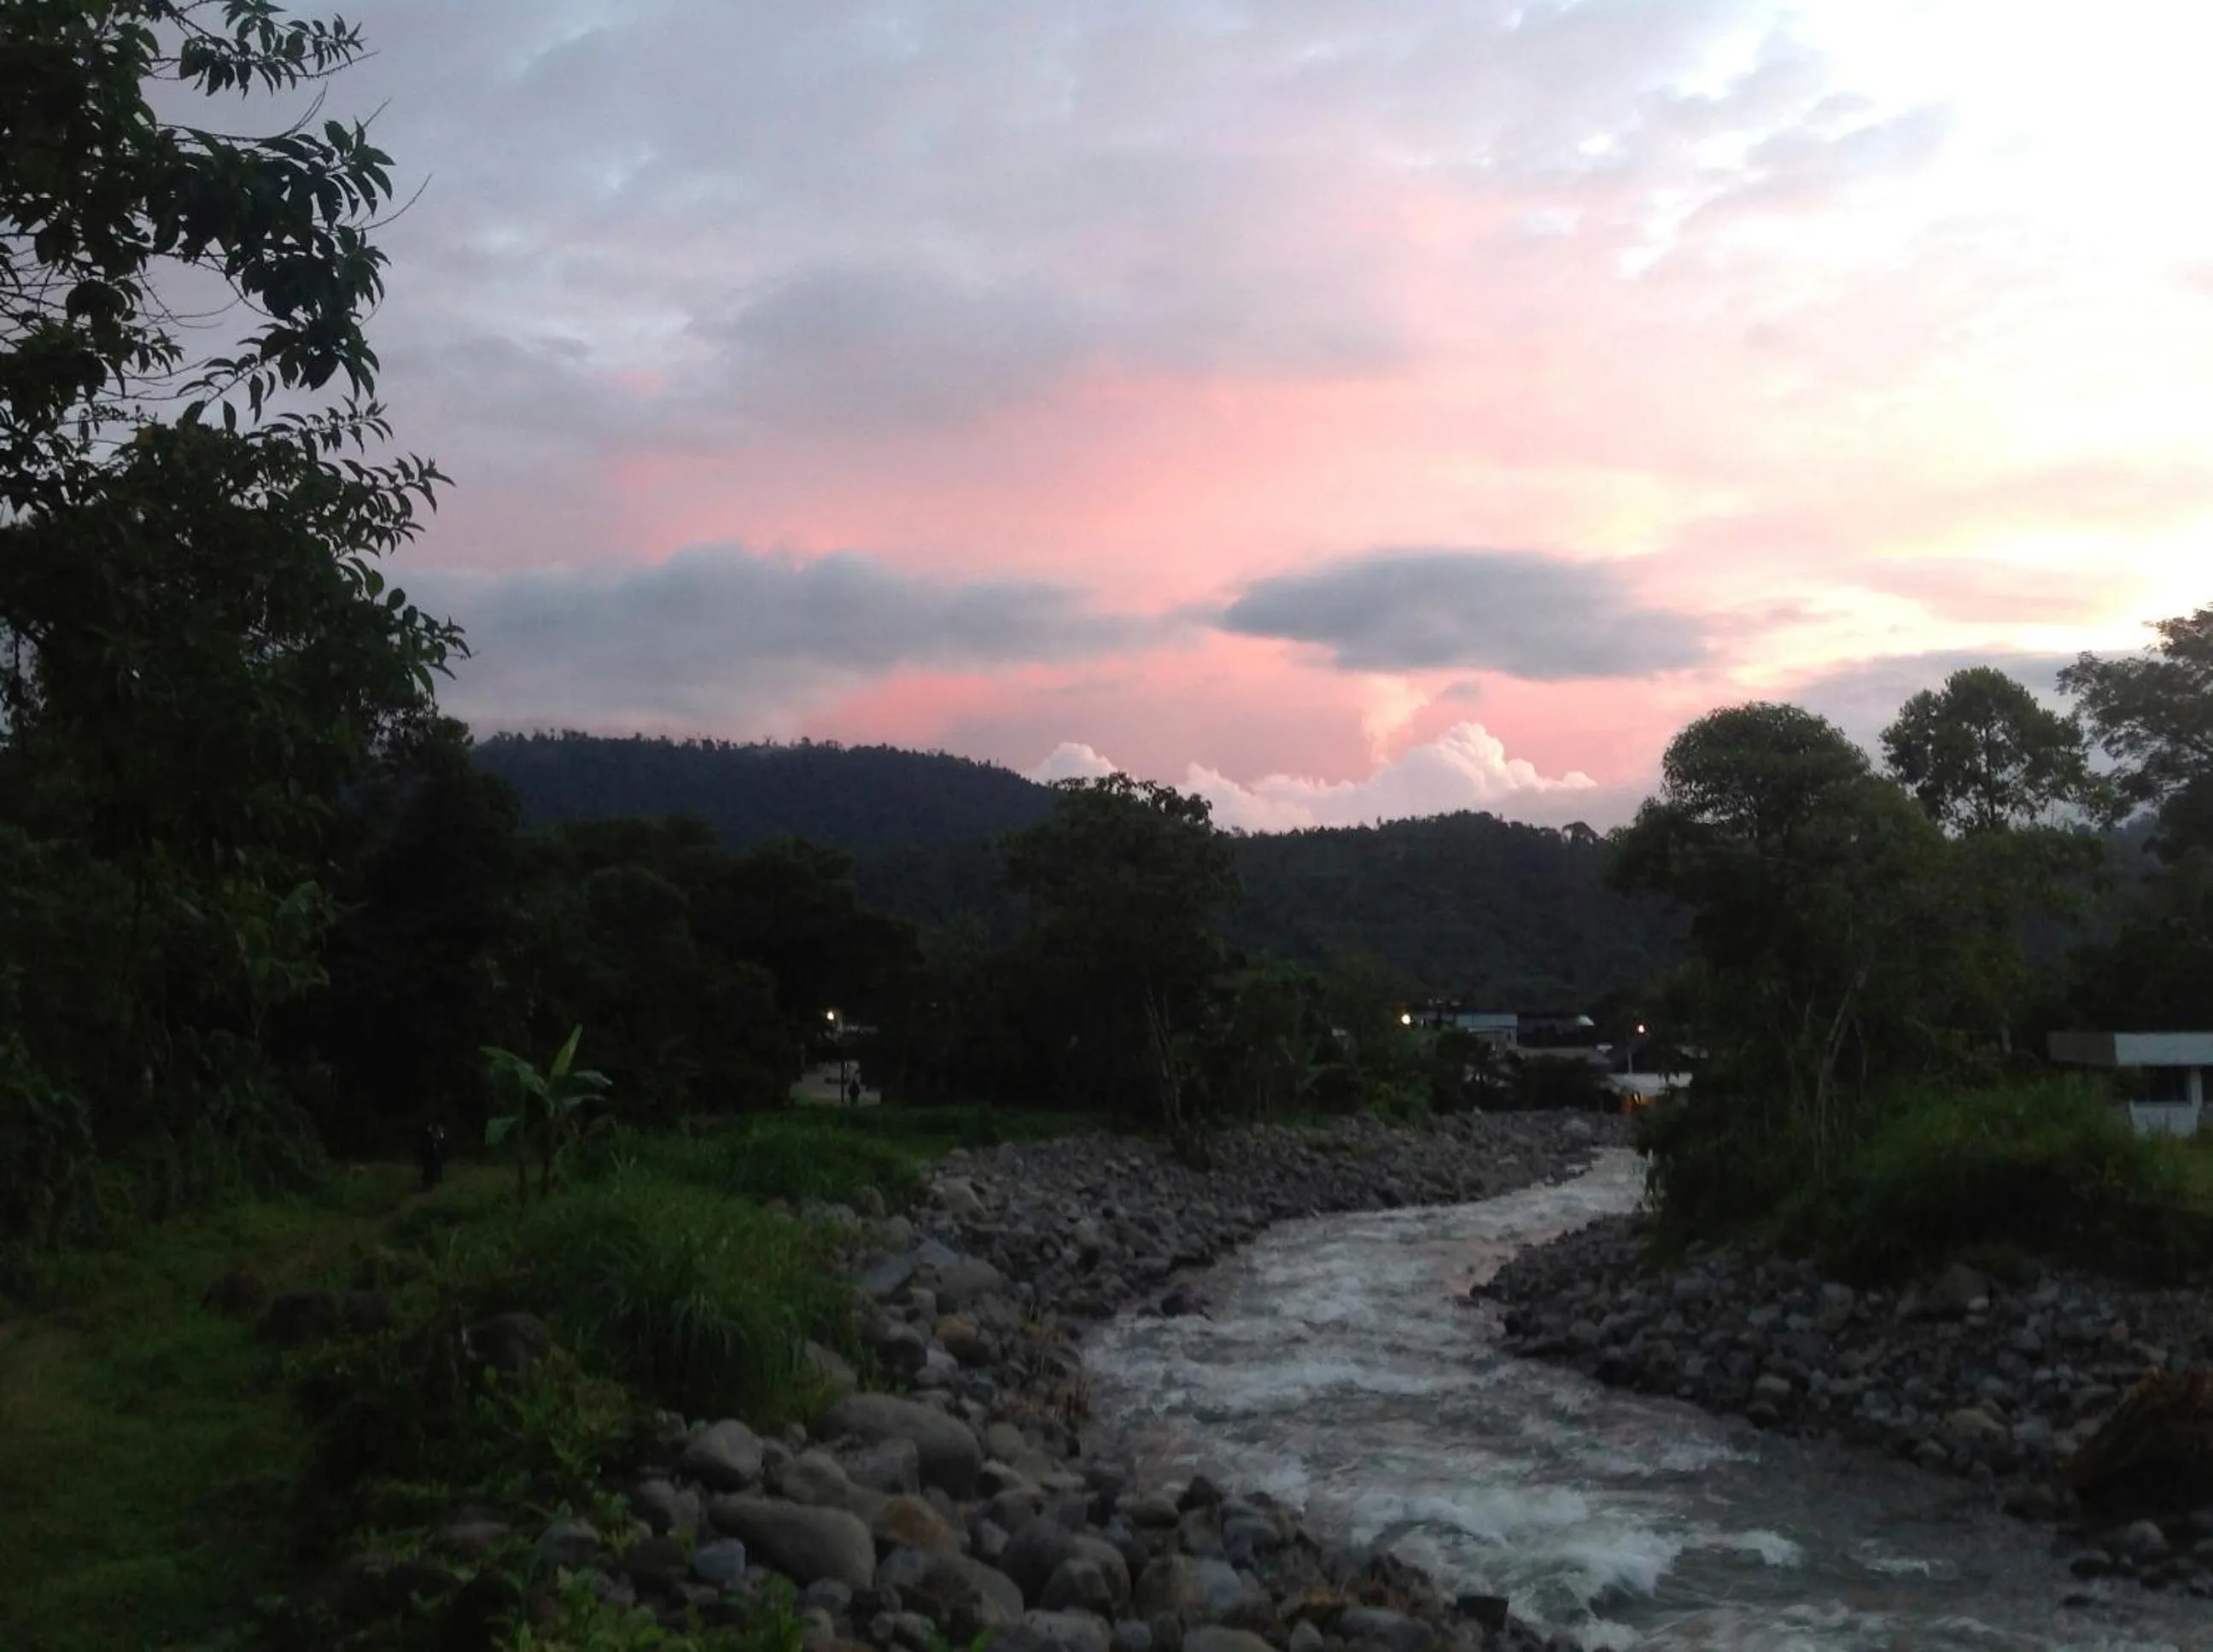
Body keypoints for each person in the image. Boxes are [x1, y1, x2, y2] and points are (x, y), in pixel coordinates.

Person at [416, 1122, 449, 1190]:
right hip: (431, 1154)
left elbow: (441, 1141)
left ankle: (433, 1181)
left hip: (435, 1153)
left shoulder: (440, 1134)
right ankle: (429, 1182)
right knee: (430, 1168)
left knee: (435, 1167)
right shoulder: (429, 1134)